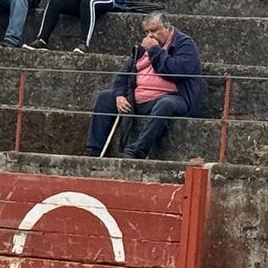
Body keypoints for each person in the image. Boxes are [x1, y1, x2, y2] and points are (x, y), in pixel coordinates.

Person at [86, 11, 203, 160]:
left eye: (154, 31)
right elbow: (124, 74)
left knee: (165, 104)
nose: (150, 36)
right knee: (105, 98)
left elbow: (176, 71)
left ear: (167, 28)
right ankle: (93, 151)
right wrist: (120, 95)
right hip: (138, 97)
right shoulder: (143, 48)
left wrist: (155, 50)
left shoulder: (184, 44)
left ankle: (138, 150)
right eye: (146, 32)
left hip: (176, 97)